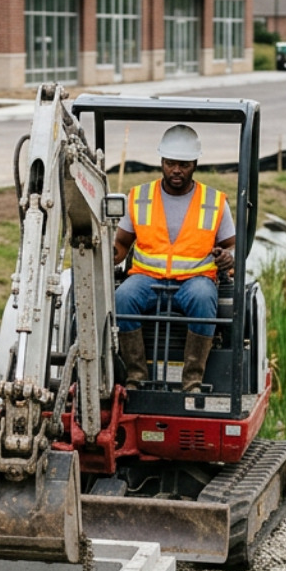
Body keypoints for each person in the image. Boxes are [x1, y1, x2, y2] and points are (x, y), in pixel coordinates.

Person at [112, 125, 237, 392]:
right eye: (170, 163)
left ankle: (192, 381)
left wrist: (229, 257)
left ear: (195, 164)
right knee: (122, 297)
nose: (176, 170)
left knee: (204, 299)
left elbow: (232, 246)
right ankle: (136, 376)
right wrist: (106, 255)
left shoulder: (215, 202)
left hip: (195, 281)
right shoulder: (139, 197)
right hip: (146, 279)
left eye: (183, 164)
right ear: (161, 162)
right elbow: (122, 243)